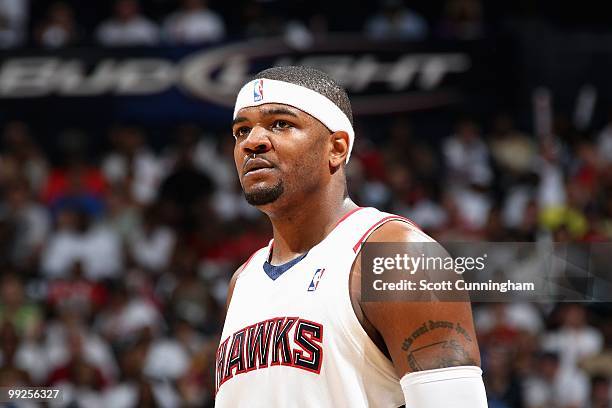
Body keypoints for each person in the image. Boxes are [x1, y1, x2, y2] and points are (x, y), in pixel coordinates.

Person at [215, 66, 487, 407]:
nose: (252, 142)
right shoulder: (243, 281)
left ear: (337, 147)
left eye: (280, 124)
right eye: (241, 131)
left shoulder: (397, 257)